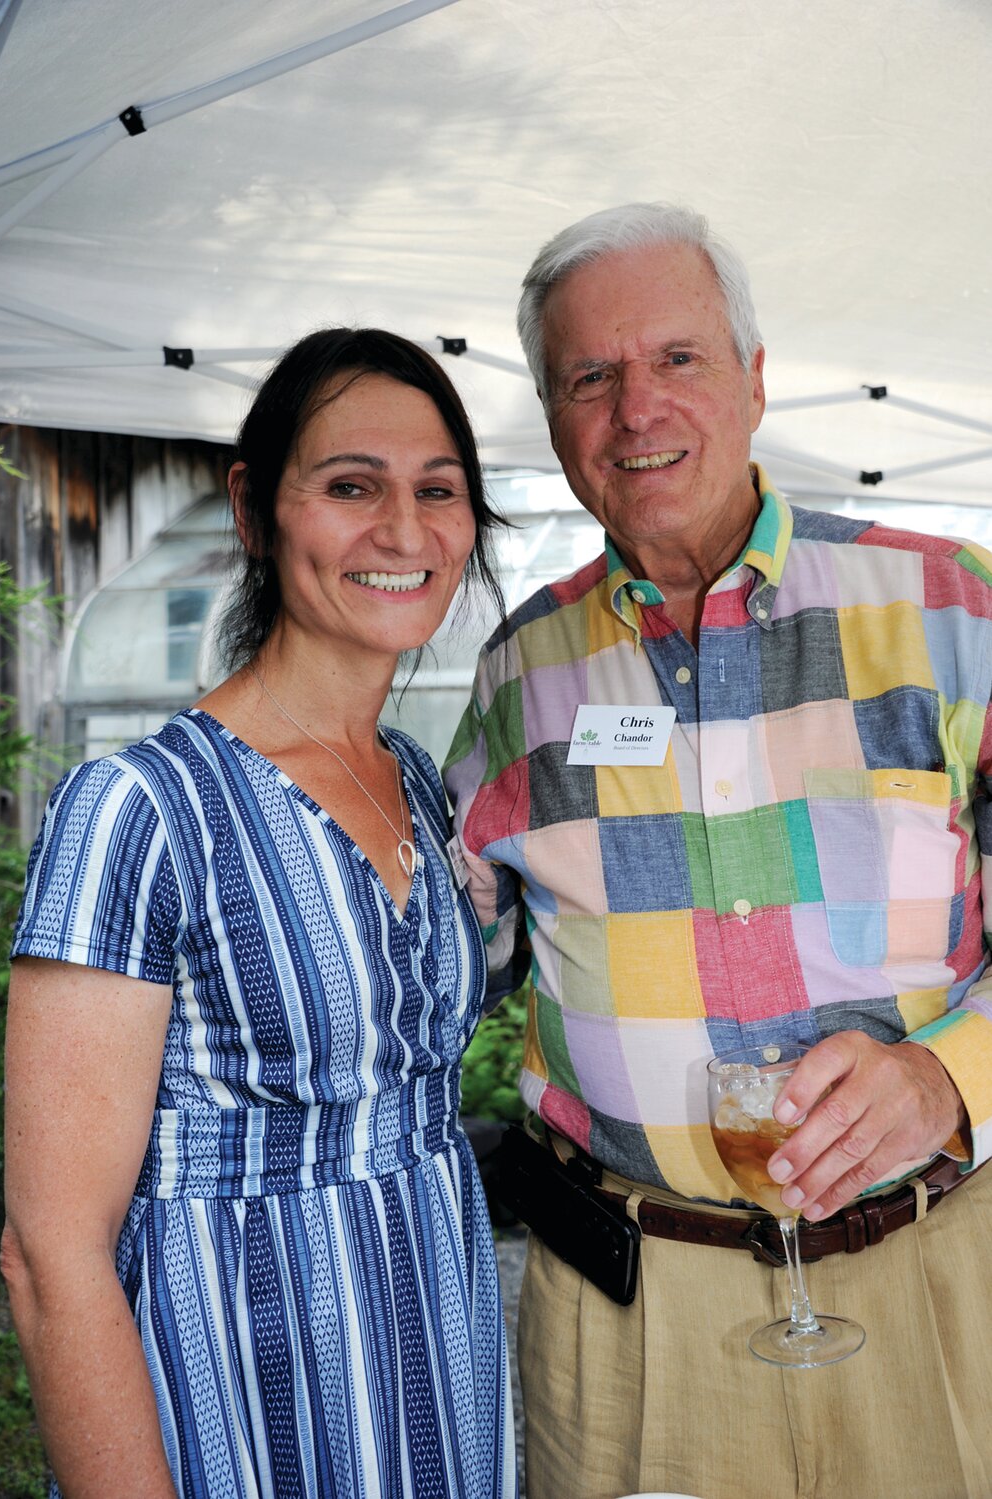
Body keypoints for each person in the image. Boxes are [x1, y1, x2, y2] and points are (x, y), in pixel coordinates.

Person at [444, 202, 992, 1499]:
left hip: (931, 1278)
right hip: (625, 1319)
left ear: (754, 379)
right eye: (590, 375)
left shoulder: (949, 603)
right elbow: (429, 965)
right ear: (554, 414)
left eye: (676, 358)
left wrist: (950, 1072)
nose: (635, 409)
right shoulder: (518, 669)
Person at [2, 328, 517, 1499]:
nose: (402, 530)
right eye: (350, 486)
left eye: (437, 492)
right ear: (254, 506)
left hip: (443, 1386)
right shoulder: (139, 806)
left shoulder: (413, 773)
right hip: (250, 1402)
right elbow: (49, 1255)